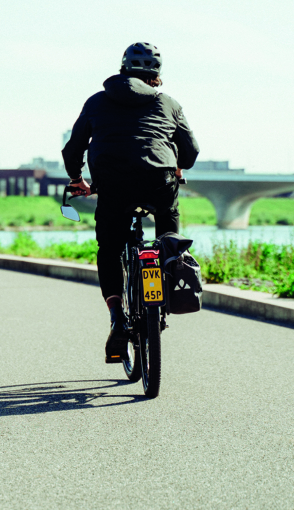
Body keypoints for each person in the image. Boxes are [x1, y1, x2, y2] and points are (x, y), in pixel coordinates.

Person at [61, 42, 199, 362]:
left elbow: (73, 149)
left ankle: (117, 318)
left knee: (110, 250)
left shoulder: (97, 101)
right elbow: (191, 152)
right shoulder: (168, 103)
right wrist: (179, 167)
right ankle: (167, 281)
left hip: (112, 185)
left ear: (123, 68)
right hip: (160, 181)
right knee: (169, 241)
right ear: (157, 74)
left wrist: (77, 179)